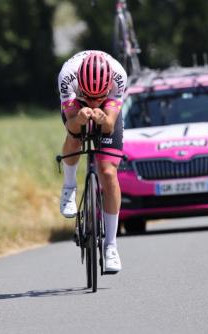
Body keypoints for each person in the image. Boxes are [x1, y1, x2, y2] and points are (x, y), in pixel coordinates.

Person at [57, 50, 127, 273]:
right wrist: (79, 117)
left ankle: (111, 247)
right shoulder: (67, 77)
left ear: (108, 87)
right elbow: (71, 125)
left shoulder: (118, 76)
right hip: (75, 107)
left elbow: (108, 126)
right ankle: (69, 187)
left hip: (109, 111)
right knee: (74, 139)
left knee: (107, 173)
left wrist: (103, 117)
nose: (94, 101)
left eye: (99, 97)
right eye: (90, 96)